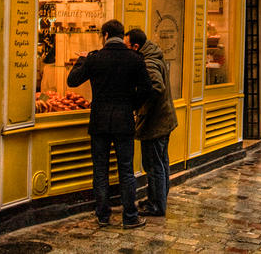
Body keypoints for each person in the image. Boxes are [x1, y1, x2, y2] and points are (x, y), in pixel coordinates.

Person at [67, 19, 152, 229]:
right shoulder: (135, 59)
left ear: (105, 35)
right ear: (122, 35)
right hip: (124, 121)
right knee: (126, 170)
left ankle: (103, 215)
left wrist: (82, 60)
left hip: (99, 121)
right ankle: (130, 216)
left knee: (101, 169)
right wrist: (130, 105)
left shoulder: (95, 59)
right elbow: (147, 89)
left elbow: (72, 81)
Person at [125, 28, 178, 217]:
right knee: (161, 162)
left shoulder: (148, 62)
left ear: (136, 46)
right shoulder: (153, 54)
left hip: (156, 122)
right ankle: (158, 199)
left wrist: (140, 108)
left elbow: (156, 86)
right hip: (164, 119)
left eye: (127, 46)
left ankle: (156, 204)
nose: (126, 50)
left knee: (153, 164)